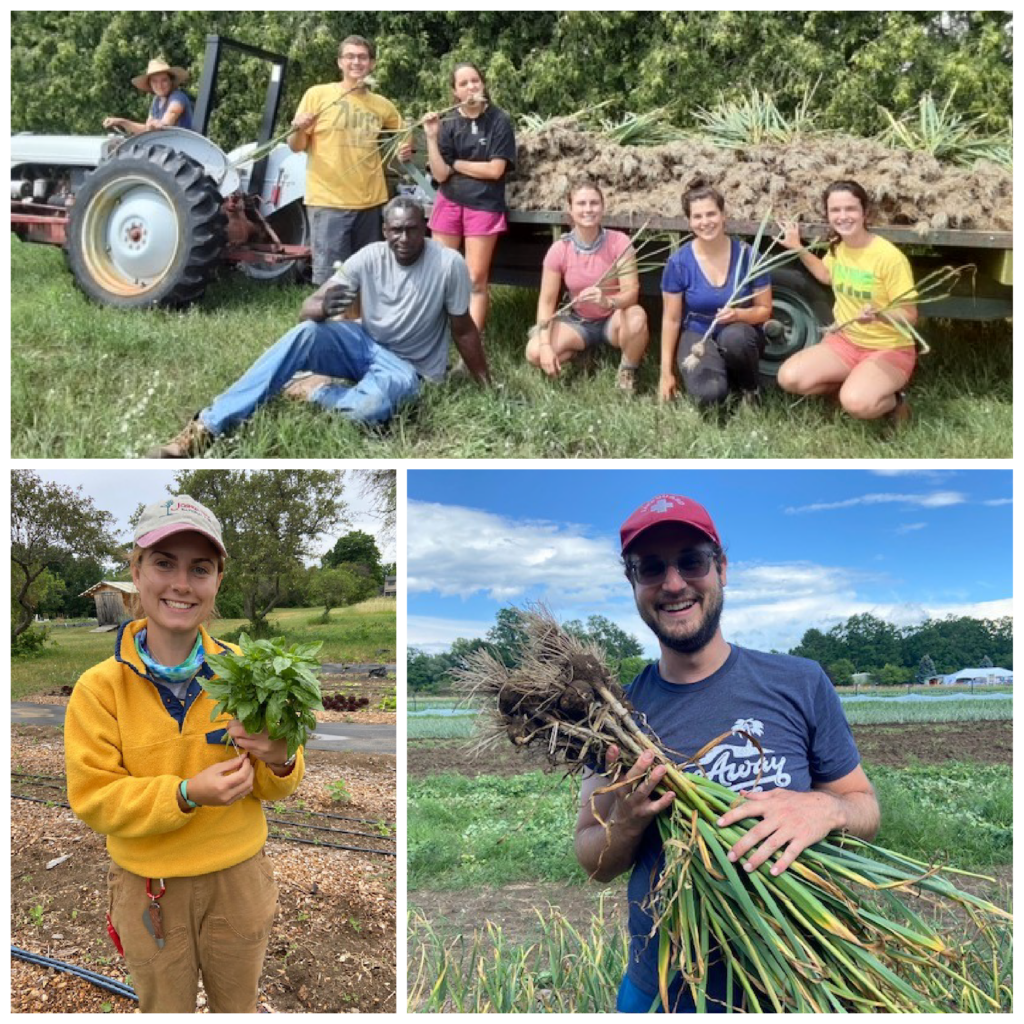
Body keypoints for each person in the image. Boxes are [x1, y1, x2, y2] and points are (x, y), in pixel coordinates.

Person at [575, 493, 880, 1013]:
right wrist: (624, 823)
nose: (673, 583)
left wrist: (827, 808)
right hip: (667, 988)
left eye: (691, 561)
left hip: (801, 975)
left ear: (721, 569)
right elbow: (592, 858)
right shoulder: (612, 719)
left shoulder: (799, 681)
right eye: (651, 568)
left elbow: (864, 805)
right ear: (633, 584)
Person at [64, 495, 304, 1013]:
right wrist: (186, 793)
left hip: (238, 880)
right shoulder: (100, 688)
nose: (181, 583)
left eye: (200, 568)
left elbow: (275, 782)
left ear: (217, 580)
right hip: (148, 887)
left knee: (236, 1007)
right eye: (164, 563)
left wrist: (282, 758)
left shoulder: (248, 670)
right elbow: (93, 797)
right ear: (136, 571)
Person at [150, 197, 488, 457]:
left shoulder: (447, 265)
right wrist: (323, 307)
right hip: (364, 343)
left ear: (424, 227)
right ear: (385, 231)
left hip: (408, 367)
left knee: (367, 410)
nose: (404, 237)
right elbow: (306, 310)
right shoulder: (370, 256)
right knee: (306, 332)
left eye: (412, 229)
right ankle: (205, 427)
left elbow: (463, 329)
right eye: (396, 230)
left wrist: (486, 385)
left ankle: (316, 390)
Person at [776, 180, 917, 423]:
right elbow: (827, 275)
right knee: (789, 377)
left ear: (865, 212)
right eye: (835, 210)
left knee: (858, 404)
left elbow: (911, 316)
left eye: (850, 209)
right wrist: (798, 248)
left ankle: (897, 403)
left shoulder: (889, 257)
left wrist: (880, 314)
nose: (843, 216)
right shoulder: (838, 246)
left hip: (888, 348)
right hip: (846, 342)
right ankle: (851, 383)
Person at [288, 35, 406, 285]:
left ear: (372, 63)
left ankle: (359, 323)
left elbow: (405, 135)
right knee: (332, 282)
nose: (356, 62)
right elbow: (296, 146)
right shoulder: (318, 95)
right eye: (350, 56)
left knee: (367, 278)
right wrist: (298, 128)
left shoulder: (382, 105)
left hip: (371, 203)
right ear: (340, 62)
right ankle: (331, 324)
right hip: (328, 202)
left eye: (363, 57)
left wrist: (406, 149)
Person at [525, 180, 649, 394]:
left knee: (637, 316)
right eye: (581, 204)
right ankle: (580, 353)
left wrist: (607, 301)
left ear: (603, 207)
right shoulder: (560, 249)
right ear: (570, 210)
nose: (588, 209)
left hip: (613, 319)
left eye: (594, 203)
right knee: (534, 353)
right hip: (579, 322)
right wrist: (546, 346)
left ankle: (628, 370)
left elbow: (632, 293)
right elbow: (546, 302)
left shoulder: (619, 242)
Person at [423, 62, 517, 333]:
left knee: (475, 278)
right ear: (455, 92)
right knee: (442, 275)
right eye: (463, 84)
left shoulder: (499, 120)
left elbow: (495, 169)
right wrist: (431, 138)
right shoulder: (449, 123)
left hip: (484, 205)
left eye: (475, 81)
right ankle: (436, 339)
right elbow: (441, 175)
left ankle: (470, 346)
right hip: (448, 202)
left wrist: (458, 164)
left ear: (483, 84)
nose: (471, 87)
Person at [660, 186, 772, 409]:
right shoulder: (679, 262)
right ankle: (723, 379)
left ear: (723, 216)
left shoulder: (749, 256)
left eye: (711, 214)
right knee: (709, 397)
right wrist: (665, 373)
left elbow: (764, 310)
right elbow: (671, 320)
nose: (705, 222)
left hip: (739, 331)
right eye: (697, 216)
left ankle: (750, 389)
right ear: (689, 222)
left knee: (735, 339)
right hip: (699, 332)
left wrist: (738, 314)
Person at [102, 57, 194, 135]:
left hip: (183, 150)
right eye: (155, 81)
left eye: (164, 80)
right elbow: (146, 130)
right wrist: (121, 122)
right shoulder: (156, 101)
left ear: (171, 81)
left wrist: (160, 124)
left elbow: (170, 116)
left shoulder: (178, 97)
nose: (159, 85)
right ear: (150, 84)